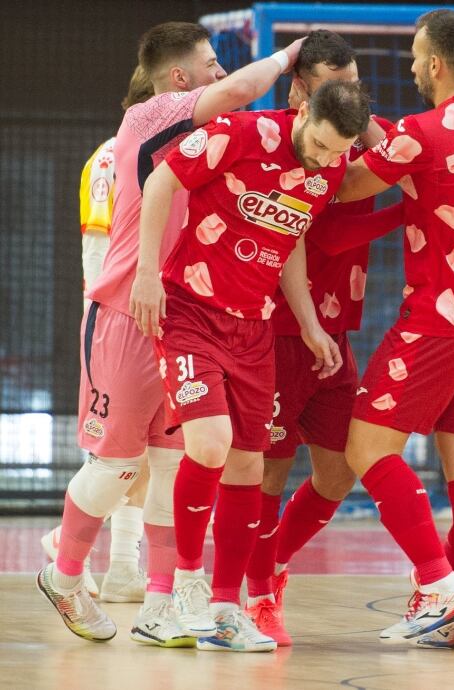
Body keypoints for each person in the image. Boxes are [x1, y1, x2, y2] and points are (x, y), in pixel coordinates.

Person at [35, 20, 307, 646]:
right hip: (129, 313)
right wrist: (291, 53)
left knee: (172, 462)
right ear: (181, 79)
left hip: (184, 320)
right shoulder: (152, 116)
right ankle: (64, 571)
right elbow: (240, 91)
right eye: (212, 64)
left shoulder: (213, 142)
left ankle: (158, 603)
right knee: (117, 468)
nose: (221, 74)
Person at [130, 79, 369, 652]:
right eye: (323, 144)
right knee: (209, 444)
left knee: (246, 469)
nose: (328, 159)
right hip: (190, 309)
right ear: (301, 108)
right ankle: (179, 592)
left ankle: (222, 607)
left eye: (341, 150)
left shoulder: (331, 167)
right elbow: (161, 179)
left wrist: (310, 323)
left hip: (254, 326)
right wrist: (144, 272)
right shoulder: (240, 132)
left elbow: (291, 240)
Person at [332, 9, 454, 650]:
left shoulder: (419, 130)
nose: (412, 66)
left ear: (435, 63)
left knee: (366, 449)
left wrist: (342, 137)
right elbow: (436, 166)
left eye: (415, 56)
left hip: (440, 316)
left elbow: (348, 189)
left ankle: (439, 586)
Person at [242, 29, 401, 646]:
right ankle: (254, 595)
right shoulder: (289, 143)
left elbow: (409, 149)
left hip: (332, 331)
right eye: (337, 87)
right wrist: (410, 208)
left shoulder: (359, 129)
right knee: (269, 476)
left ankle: (270, 565)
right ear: (301, 89)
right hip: (279, 330)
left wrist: (382, 136)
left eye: (356, 85)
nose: (351, 97)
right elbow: (327, 238)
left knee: (338, 472)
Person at [40, 64, 157, 604]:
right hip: (114, 316)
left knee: (152, 452)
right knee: (116, 453)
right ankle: (68, 543)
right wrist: (111, 309)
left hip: (152, 317)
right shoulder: (113, 156)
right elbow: (99, 245)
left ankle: (124, 568)